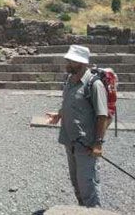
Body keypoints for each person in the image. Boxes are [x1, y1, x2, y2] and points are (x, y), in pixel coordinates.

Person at [47, 45, 108, 208]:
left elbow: (102, 116)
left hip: (86, 146)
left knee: (88, 187)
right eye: (67, 60)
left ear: (81, 63)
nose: (67, 64)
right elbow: (68, 101)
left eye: (71, 61)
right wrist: (59, 114)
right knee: (76, 184)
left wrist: (98, 143)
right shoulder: (69, 80)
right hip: (69, 141)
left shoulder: (94, 85)